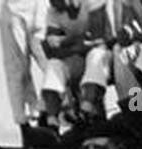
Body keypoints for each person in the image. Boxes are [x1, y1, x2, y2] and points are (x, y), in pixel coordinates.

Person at [39, 0, 112, 128]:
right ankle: (52, 122)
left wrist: (65, 42)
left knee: (103, 57)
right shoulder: (54, 11)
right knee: (54, 65)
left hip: (111, 56)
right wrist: (77, 45)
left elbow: (98, 39)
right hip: (79, 58)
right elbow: (52, 49)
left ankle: (136, 111)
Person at [1, 0, 47, 131]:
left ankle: (45, 114)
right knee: (17, 70)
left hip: (42, 9)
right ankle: (25, 128)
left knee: (54, 66)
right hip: (13, 12)